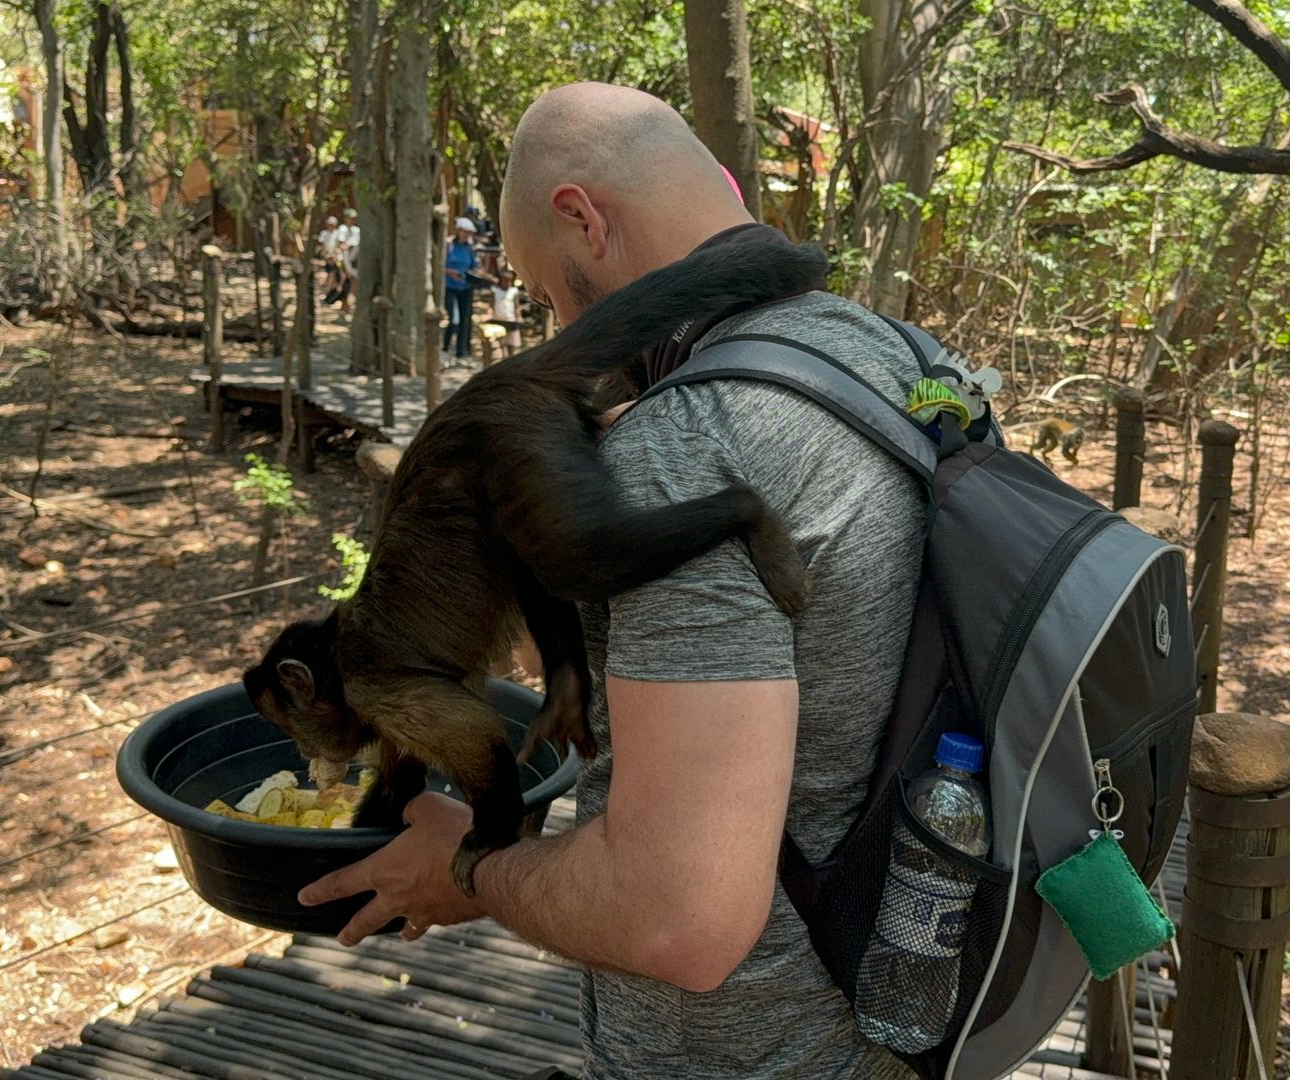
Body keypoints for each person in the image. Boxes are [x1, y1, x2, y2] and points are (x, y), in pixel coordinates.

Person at [298, 82, 924, 1079]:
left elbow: (679, 923)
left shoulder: (693, 447)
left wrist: (472, 868)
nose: (553, 318)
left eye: (546, 287)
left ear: (582, 221)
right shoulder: (884, 351)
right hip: (905, 1007)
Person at [442, 215, 480, 360]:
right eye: (465, 232)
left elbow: (474, 267)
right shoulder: (448, 245)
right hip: (450, 287)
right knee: (452, 318)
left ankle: (461, 351)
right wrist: (449, 272)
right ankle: (445, 348)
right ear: (459, 231)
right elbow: (440, 266)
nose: (467, 235)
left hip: (466, 288)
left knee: (465, 319)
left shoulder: (470, 249)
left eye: (469, 233)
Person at [490, 268, 522, 352]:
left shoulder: (514, 291)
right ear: (500, 280)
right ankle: (503, 356)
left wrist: (519, 316)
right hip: (498, 319)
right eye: (505, 281)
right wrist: (489, 314)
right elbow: (492, 304)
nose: (508, 283)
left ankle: (512, 357)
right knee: (500, 341)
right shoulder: (495, 290)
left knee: (511, 341)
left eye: (510, 281)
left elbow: (516, 306)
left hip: (510, 319)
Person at [336, 208, 360, 311]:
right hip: (344, 259)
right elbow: (341, 244)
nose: (352, 220)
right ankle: (344, 308)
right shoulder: (342, 229)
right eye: (350, 218)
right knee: (345, 283)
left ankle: (350, 307)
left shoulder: (357, 230)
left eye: (354, 218)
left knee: (354, 283)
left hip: (355, 260)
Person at [318, 215, 344, 303]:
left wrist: (334, 255)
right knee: (330, 275)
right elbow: (322, 246)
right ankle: (328, 293)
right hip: (327, 258)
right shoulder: (324, 233)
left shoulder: (338, 233)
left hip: (337, 258)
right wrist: (326, 256)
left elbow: (340, 245)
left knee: (338, 275)